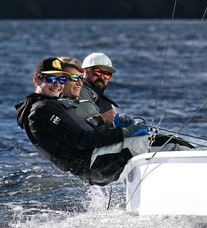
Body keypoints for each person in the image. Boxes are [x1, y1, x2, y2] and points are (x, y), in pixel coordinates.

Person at [16, 57, 149, 185]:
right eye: (51, 79)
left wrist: (112, 124)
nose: (57, 84)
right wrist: (124, 132)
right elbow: (82, 139)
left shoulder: (52, 105)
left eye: (62, 79)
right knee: (156, 142)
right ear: (36, 80)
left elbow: (81, 130)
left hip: (96, 159)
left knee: (156, 138)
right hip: (93, 163)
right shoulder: (41, 110)